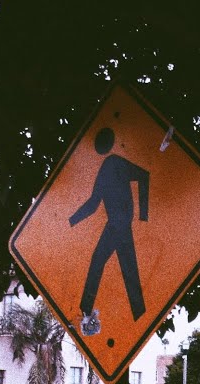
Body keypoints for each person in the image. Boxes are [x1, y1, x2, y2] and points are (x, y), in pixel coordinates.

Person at [70, 127, 149, 335]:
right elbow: (93, 203)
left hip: (119, 225)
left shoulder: (115, 163)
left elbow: (144, 175)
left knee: (101, 261)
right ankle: (138, 313)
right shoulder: (105, 168)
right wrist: (70, 221)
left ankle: (87, 310)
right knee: (127, 269)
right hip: (115, 224)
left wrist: (143, 215)